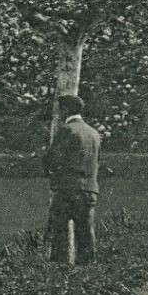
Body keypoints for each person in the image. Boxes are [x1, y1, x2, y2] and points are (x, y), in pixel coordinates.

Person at [42, 94, 103, 264]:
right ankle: (88, 268)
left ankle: (59, 268)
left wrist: (49, 171)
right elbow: (96, 162)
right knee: (85, 231)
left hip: (68, 189)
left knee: (59, 229)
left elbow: (53, 159)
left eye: (60, 109)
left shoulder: (66, 130)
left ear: (66, 110)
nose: (59, 113)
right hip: (89, 190)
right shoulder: (94, 133)